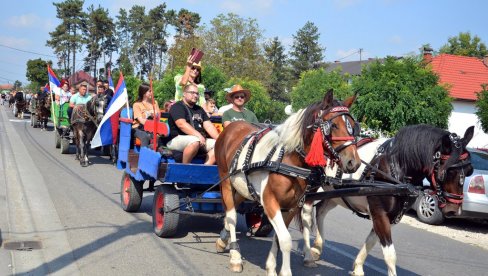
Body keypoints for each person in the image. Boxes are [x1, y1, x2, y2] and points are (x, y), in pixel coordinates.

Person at [167, 83, 219, 164]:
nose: (195, 95)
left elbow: (208, 125)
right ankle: (185, 168)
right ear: (184, 94)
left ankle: (205, 168)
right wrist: (198, 135)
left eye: (197, 93)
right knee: (195, 141)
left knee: (219, 145)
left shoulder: (199, 109)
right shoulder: (177, 107)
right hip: (176, 139)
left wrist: (219, 139)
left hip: (198, 139)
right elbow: (181, 124)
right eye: (192, 93)